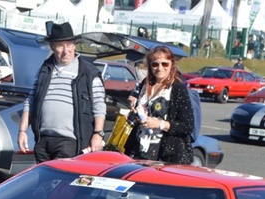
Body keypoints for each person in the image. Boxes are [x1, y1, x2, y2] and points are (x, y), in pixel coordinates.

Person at [18, 22, 106, 163]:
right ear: (52, 47)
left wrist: (98, 134)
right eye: (60, 46)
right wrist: (22, 131)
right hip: (43, 141)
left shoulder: (88, 73)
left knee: (61, 183)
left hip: (70, 142)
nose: (66, 51)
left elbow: (99, 106)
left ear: (75, 45)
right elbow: (31, 101)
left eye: (69, 45)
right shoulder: (44, 70)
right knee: (43, 183)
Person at [123, 46, 194, 164]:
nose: (160, 68)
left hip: (166, 155)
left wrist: (159, 124)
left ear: (172, 64)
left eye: (164, 64)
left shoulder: (178, 89)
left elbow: (187, 126)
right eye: (155, 64)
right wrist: (133, 114)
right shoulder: (144, 85)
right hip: (139, 151)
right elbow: (141, 113)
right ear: (150, 66)